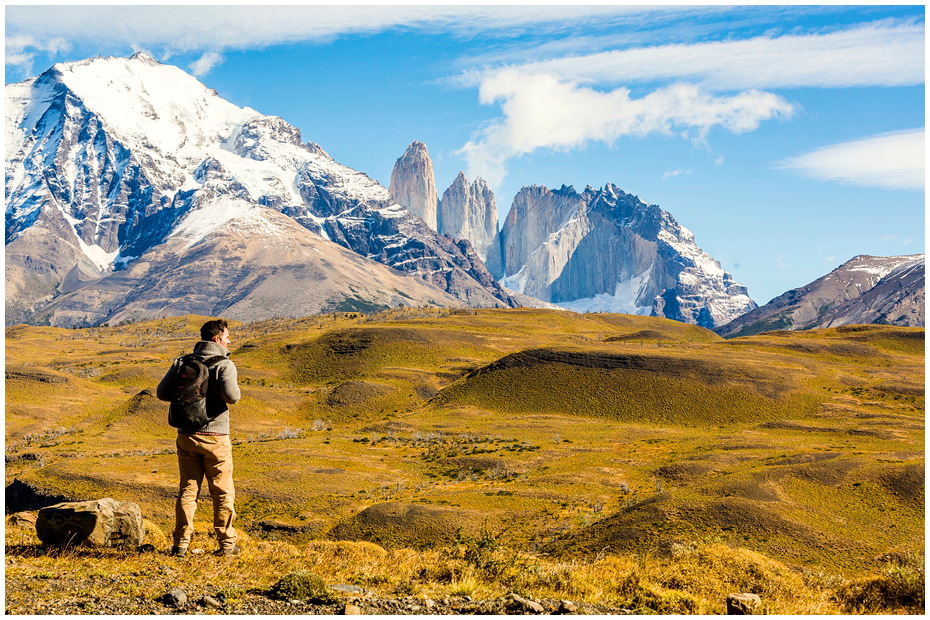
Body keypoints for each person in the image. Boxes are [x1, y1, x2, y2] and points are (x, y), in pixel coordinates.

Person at [156, 318, 242, 557]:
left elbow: (162, 393)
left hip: (186, 436)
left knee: (188, 490)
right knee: (222, 491)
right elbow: (232, 396)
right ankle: (227, 545)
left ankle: (180, 545)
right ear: (217, 339)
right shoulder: (225, 364)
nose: (229, 341)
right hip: (215, 436)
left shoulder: (182, 362)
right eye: (227, 337)